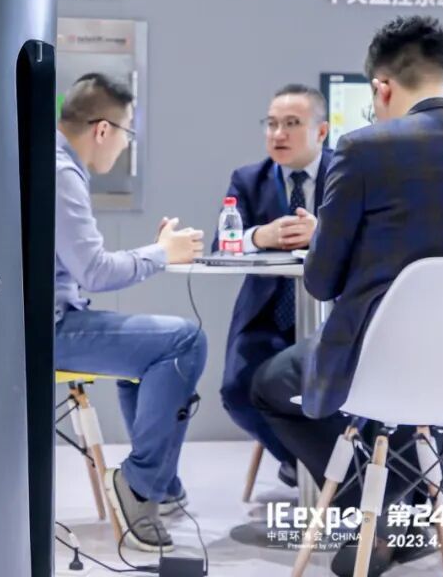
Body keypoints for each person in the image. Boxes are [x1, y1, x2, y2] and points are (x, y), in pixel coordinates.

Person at [250, 16, 443, 576]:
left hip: (381, 370)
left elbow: (321, 281)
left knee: (268, 384)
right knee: (385, 399)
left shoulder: (362, 150)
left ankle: (384, 511)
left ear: (381, 89)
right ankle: (405, 509)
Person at [54, 73, 209, 553]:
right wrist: (163, 254)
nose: (124, 146)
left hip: (43, 322)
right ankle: (141, 487)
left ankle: (161, 480)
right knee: (184, 341)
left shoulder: (49, 161)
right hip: (46, 332)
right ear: (103, 130)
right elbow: (96, 271)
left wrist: (156, 250)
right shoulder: (61, 173)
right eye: (127, 134)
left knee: (152, 351)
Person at [217, 84, 331, 488]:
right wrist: (258, 236)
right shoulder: (249, 179)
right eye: (271, 124)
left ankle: (327, 470)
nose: (278, 134)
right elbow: (222, 243)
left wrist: (324, 232)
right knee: (236, 391)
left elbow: (370, 236)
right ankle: (302, 460)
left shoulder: (348, 174)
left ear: (321, 131)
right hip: (267, 317)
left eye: (292, 123)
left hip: (334, 316)